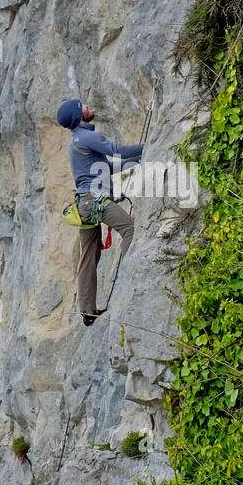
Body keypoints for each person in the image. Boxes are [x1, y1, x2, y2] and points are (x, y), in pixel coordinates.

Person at [57, 97, 143, 326]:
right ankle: (130, 278)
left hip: (84, 205)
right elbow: (116, 151)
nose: (87, 106)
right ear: (79, 115)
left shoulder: (77, 140)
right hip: (95, 201)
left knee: (89, 256)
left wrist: (139, 159)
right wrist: (148, 147)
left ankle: (88, 311)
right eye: (82, 106)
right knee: (129, 228)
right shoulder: (86, 136)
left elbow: (109, 166)